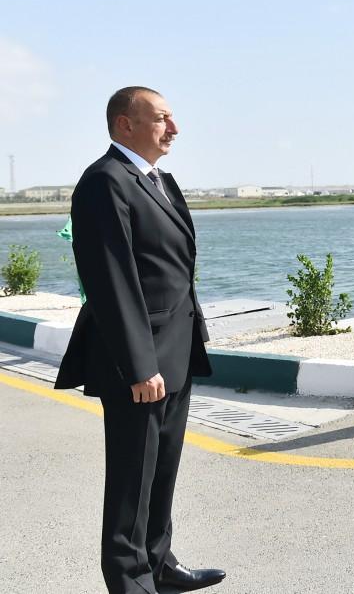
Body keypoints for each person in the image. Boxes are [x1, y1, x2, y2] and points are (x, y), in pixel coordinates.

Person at [56, 86, 226, 593]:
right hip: (139, 361)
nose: (173, 128)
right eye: (162, 119)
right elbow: (112, 281)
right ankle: (130, 582)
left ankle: (159, 564)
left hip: (174, 349)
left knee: (162, 469)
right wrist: (138, 365)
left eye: (172, 118)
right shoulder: (105, 182)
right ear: (124, 125)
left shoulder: (157, 180)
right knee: (133, 478)